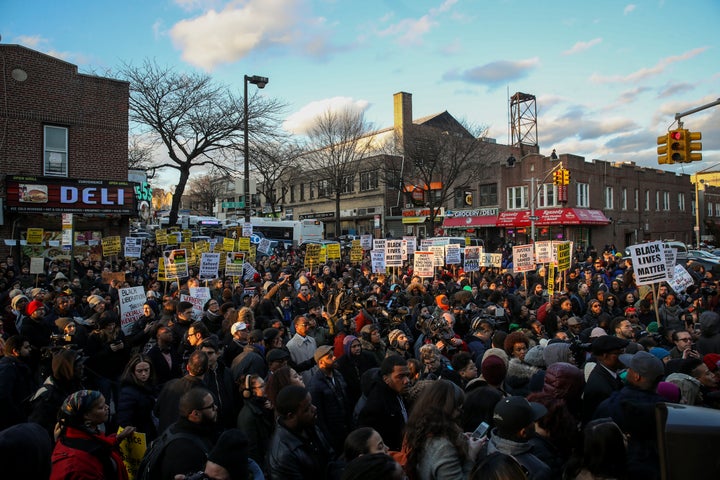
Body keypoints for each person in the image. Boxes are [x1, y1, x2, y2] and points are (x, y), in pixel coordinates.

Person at [594, 351, 666, 479]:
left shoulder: (609, 406)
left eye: (630, 369)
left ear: (637, 376)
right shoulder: (667, 410)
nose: (627, 370)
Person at [404, 379, 484, 480]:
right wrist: (471, 455)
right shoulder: (443, 447)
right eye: (458, 408)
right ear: (448, 408)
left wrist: (460, 438)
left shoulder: (421, 428)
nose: (460, 412)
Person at [51, 390, 136, 480]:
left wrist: (117, 439)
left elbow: (98, 445)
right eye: (101, 407)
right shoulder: (81, 466)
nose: (107, 407)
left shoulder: (72, 437)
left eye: (106, 404)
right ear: (86, 415)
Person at [267, 385, 335, 479]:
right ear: (291, 416)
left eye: (311, 404)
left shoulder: (309, 426)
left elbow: (330, 458)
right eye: (307, 409)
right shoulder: (283, 455)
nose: (314, 408)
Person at [157, 388, 220, 479]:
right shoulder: (184, 450)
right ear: (195, 414)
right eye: (211, 406)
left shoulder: (198, 431)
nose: (216, 408)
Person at [485, 396, 552, 480]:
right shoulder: (538, 471)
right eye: (532, 421)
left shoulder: (479, 451)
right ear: (523, 432)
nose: (535, 424)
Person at [29, 348, 85, 440]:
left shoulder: (74, 385)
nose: (82, 367)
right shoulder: (47, 396)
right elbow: (38, 427)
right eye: (79, 365)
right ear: (68, 368)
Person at [358, 355, 411, 451]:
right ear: (386, 379)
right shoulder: (376, 405)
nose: (407, 381)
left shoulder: (398, 392)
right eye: (401, 376)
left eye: (407, 375)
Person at [308, 344, 352, 452]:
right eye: (329, 357)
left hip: (346, 427)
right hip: (334, 434)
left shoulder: (337, 375)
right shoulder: (315, 385)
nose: (334, 358)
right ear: (321, 363)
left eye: (333, 355)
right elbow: (320, 417)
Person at [154, 349, 209, 433]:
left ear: (187, 367)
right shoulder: (205, 395)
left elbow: (156, 411)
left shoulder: (170, 385)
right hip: (187, 440)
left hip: (165, 437)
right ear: (207, 369)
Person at [582, 335, 629, 424]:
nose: (623, 357)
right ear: (605, 355)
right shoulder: (600, 387)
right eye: (619, 353)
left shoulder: (609, 374)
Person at [236, 373, 274, 474]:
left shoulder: (264, 407)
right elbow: (252, 451)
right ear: (250, 392)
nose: (266, 388)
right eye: (262, 386)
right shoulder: (247, 416)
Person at [116, 353, 158, 442]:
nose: (144, 374)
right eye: (140, 371)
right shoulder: (128, 392)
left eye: (146, 370)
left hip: (149, 431)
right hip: (139, 435)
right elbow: (124, 420)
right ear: (133, 372)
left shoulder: (150, 385)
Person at [0, 335, 36, 430]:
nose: (30, 350)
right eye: (26, 347)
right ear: (15, 351)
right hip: (15, 422)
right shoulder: (8, 368)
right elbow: (4, 396)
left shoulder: (20, 365)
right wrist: (19, 415)